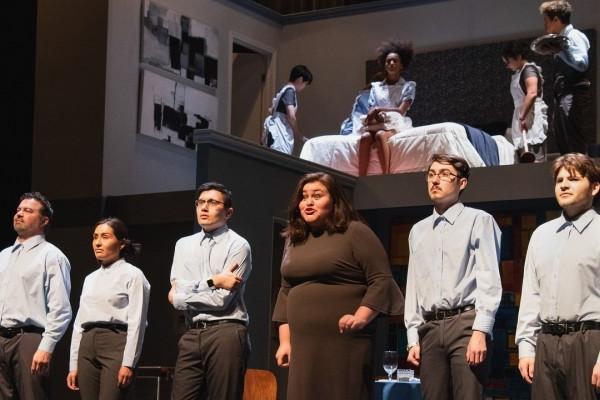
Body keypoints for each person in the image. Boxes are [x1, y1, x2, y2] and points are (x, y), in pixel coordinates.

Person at [272, 172, 404, 400]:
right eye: (304, 197)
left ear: (334, 200)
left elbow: (381, 279)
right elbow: (286, 290)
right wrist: (285, 342)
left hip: (345, 342)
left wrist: (361, 317)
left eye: (317, 195)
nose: (309, 202)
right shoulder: (294, 238)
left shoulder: (355, 232)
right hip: (303, 345)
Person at [404, 154, 502, 399]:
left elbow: (489, 278)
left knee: (468, 394)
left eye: (445, 174)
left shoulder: (479, 220)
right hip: (430, 326)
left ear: (462, 183)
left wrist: (481, 331)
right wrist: (412, 337)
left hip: (466, 323)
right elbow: (414, 285)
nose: (436, 180)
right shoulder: (418, 230)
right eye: (431, 174)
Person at [516, 153, 600, 399]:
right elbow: (531, 294)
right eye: (559, 180)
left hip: (589, 341)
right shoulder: (541, 235)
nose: (563, 185)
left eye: (573, 179)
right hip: (546, 343)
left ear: (594, 187)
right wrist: (525, 348)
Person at [169, 182, 251, 400]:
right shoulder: (183, 245)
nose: (204, 208)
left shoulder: (238, 245)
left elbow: (221, 300)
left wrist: (187, 293)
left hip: (226, 331)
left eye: (212, 202)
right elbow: (175, 296)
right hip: (191, 331)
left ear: (228, 212)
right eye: (200, 202)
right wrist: (214, 280)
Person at [66, 217, 151, 399]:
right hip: (87, 345)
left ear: (121, 244)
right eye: (95, 237)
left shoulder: (133, 275)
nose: (98, 242)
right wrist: (73, 364)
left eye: (105, 237)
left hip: (115, 343)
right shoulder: (90, 278)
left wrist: (129, 363)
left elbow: (138, 323)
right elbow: (79, 323)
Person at [0, 192, 72, 399]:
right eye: (18, 210)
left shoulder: (51, 256)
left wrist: (46, 347)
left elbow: (61, 309)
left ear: (44, 220)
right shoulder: (4, 256)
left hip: (29, 339)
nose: (19, 214)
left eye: (28, 211)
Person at [539, 1, 593, 154]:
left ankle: (580, 175)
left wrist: (561, 49)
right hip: (563, 95)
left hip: (573, 93)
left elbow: (582, 64)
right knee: (563, 140)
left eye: (546, 20)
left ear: (556, 20)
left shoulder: (574, 36)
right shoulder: (562, 40)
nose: (545, 25)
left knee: (573, 141)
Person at [358, 41, 416, 176]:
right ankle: (361, 177)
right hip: (379, 122)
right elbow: (371, 109)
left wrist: (379, 109)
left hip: (396, 123)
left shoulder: (408, 86)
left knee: (380, 135)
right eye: (388, 61)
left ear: (401, 65)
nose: (391, 64)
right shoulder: (376, 87)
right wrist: (375, 114)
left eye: (395, 61)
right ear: (385, 65)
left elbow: (401, 110)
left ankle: (386, 175)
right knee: (365, 137)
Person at [502, 41, 549, 162]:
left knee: (535, 155)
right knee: (525, 156)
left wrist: (523, 117)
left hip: (531, 114)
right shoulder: (519, 72)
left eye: (508, 61)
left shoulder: (529, 70)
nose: (507, 66)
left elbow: (532, 93)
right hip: (523, 113)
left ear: (518, 57)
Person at [262, 65, 313, 155]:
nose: (304, 87)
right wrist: (299, 135)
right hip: (280, 134)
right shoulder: (290, 91)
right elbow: (291, 116)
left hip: (274, 131)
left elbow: (271, 110)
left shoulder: (283, 89)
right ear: (300, 79)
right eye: (305, 84)